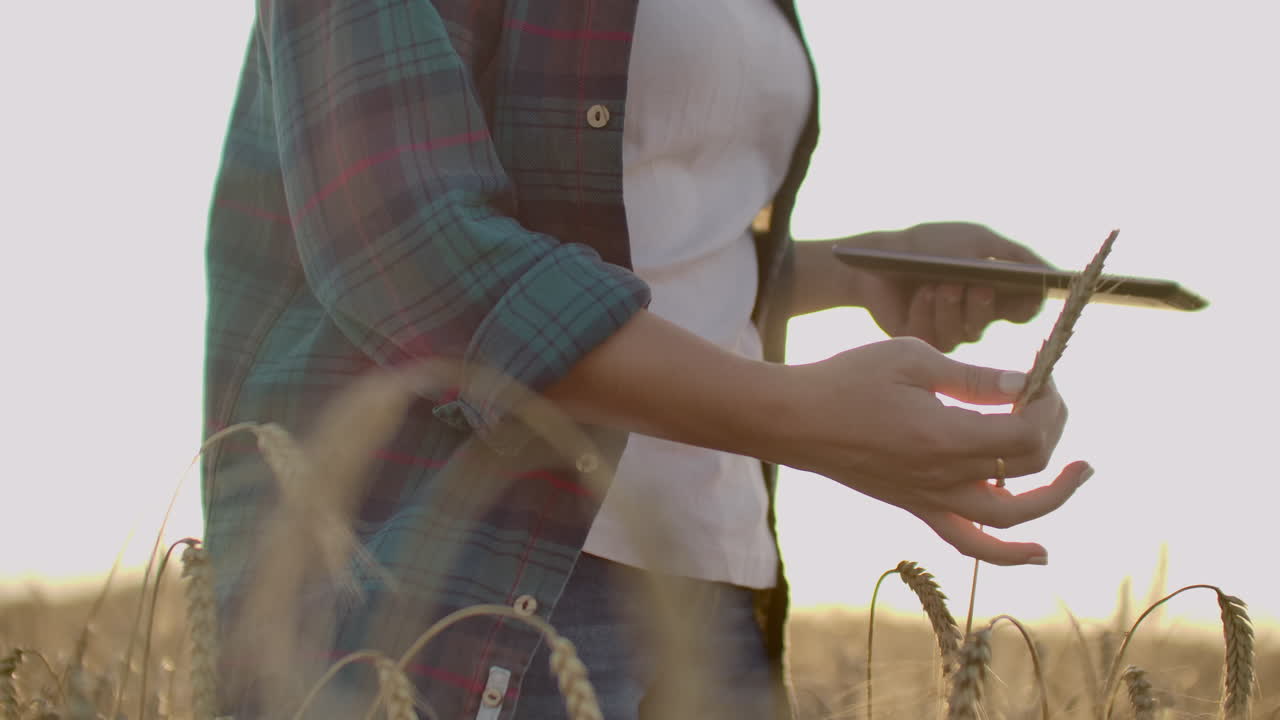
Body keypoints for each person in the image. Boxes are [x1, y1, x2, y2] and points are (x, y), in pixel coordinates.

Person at [202, 1, 1092, 718]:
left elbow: (634, 242)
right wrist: (807, 420)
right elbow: (404, 242)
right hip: (473, 579)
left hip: (716, 582)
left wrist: (853, 268)